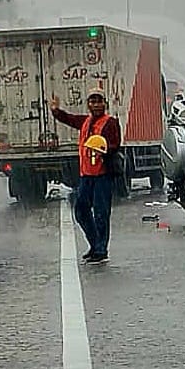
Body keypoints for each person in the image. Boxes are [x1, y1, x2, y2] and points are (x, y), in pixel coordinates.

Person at [50, 88, 122, 264]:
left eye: (99, 101)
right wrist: (55, 111)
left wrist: (103, 149)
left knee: (100, 213)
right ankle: (94, 244)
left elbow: (115, 144)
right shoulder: (86, 121)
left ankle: (101, 249)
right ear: (88, 104)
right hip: (86, 175)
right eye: (92, 101)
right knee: (81, 211)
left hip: (102, 175)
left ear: (105, 104)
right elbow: (69, 119)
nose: (96, 105)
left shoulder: (110, 122)